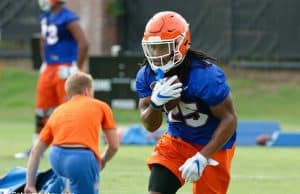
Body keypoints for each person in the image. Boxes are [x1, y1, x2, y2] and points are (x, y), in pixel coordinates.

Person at [136, 11, 237, 194]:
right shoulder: (147, 74)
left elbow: (229, 119)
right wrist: (155, 105)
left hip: (212, 145)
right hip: (177, 140)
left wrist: (203, 157)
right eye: (153, 47)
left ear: (179, 45)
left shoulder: (205, 76)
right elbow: (150, 126)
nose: (156, 54)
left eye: (162, 47)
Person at [15, 0, 89, 159]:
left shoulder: (68, 18)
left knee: (68, 108)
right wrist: (45, 61)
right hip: (49, 67)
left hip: (65, 67)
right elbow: (43, 41)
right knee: (42, 109)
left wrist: (77, 66)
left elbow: (84, 43)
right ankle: (37, 147)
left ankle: (71, 145)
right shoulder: (46, 17)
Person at [24, 72, 119, 194]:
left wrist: (30, 184)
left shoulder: (58, 111)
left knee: (65, 185)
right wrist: (103, 161)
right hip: (81, 159)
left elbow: (36, 151)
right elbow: (114, 145)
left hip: (56, 158)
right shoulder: (101, 106)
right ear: (87, 91)